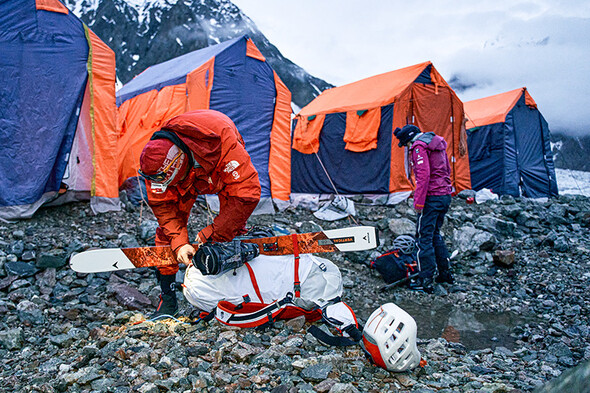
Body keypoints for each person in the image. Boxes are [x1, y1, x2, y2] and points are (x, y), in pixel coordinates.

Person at [138, 109, 261, 317]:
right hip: (186, 172)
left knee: (232, 221)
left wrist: (214, 233)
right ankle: (167, 297)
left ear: (175, 165)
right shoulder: (156, 166)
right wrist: (179, 243)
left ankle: (236, 282)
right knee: (167, 233)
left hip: (214, 159)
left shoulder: (224, 143)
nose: (157, 184)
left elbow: (246, 193)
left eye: (161, 180)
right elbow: (164, 209)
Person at [394, 124, 454, 293]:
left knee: (423, 238)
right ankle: (445, 273)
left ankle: (425, 280)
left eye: (405, 144)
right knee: (435, 234)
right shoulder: (437, 143)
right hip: (444, 195)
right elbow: (447, 170)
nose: (407, 148)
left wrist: (418, 203)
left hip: (432, 198)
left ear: (408, 140)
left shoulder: (419, 147)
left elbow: (423, 176)